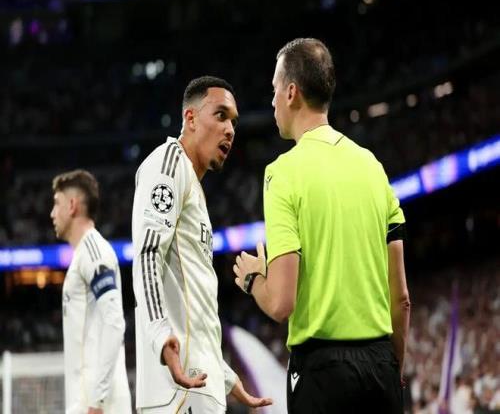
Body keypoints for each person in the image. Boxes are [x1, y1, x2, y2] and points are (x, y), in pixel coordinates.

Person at [233, 38, 411, 413]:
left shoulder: (283, 173)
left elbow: (281, 303)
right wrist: (393, 369)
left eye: (274, 90)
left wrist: (254, 279)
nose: (272, 101)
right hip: (381, 365)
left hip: (322, 373)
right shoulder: (373, 167)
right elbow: (402, 299)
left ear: (292, 92)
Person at [132, 76, 272, 413]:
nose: (230, 130)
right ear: (190, 118)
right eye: (221, 115)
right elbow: (147, 254)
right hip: (178, 389)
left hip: (198, 384)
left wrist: (225, 376)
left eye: (234, 122)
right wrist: (160, 334)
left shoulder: (196, 191)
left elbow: (194, 305)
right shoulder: (168, 164)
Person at [50, 170, 131, 414]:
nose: (52, 213)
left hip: (99, 405)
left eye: (57, 204)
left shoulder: (94, 252)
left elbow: (114, 322)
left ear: (72, 205)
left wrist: (97, 400)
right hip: (86, 402)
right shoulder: (83, 255)